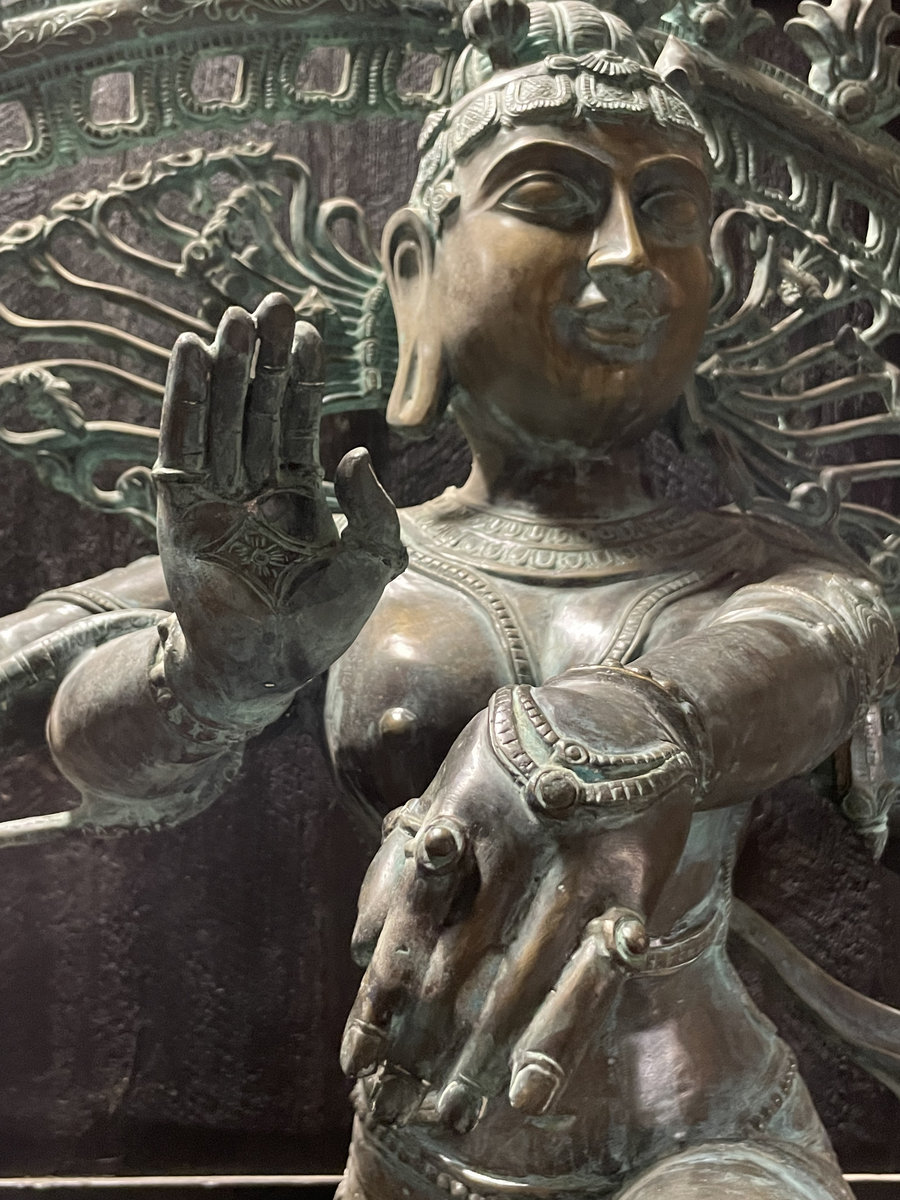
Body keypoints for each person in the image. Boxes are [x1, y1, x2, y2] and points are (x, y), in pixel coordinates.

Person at [3, 0, 896, 1195]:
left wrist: (583, 742)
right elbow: (75, 730)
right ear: (414, 271)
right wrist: (214, 673)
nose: (627, 257)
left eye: (670, 213)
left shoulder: (783, 574)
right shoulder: (349, 564)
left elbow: (807, 650)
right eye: (554, 198)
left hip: (704, 1128)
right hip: (407, 1141)